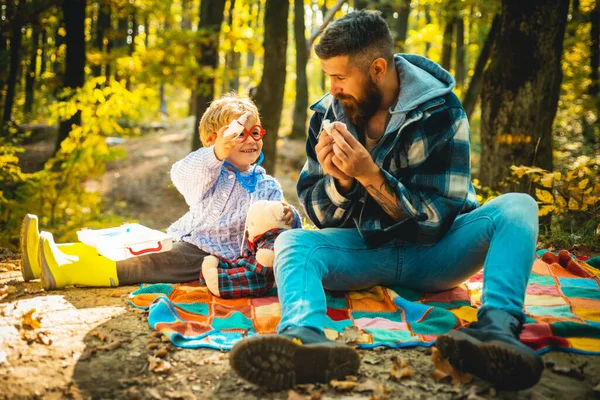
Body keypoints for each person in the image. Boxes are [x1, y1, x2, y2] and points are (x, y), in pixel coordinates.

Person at [229, 10, 542, 391]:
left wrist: (370, 175)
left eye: (340, 77)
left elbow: (435, 224)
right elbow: (318, 214)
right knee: (293, 241)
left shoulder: (441, 111)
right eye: (329, 76)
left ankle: (496, 330)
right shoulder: (327, 113)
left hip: (439, 254)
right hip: (364, 250)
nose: (333, 88)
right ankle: (303, 339)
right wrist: (341, 183)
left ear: (378, 67)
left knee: (518, 206)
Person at [20, 93, 301, 293]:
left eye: (255, 132)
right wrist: (218, 154)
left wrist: (291, 216)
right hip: (184, 239)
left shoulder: (267, 185)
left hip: (210, 257)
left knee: (145, 262)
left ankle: (64, 270)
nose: (250, 140)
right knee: (127, 245)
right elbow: (181, 174)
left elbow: (281, 225)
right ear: (212, 141)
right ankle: (45, 256)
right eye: (238, 134)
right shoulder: (209, 170)